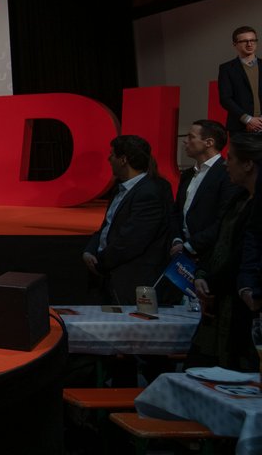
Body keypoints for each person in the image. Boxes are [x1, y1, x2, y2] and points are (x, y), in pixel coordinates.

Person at [188, 132, 260, 372]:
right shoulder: (238, 199)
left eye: (231, 159)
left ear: (248, 164)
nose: (226, 164)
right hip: (218, 300)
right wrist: (201, 274)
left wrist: (211, 282)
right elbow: (220, 242)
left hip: (238, 302)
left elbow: (242, 255)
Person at [82, 135, 173, 305]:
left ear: (123, 160)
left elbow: (131, 240)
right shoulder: (120, 188)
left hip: (129, 280)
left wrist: (100, 264)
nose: (109, 159)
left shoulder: (148, 192)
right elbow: (107, 226)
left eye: (112, 155)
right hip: (109, 275)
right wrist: (89, 250)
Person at [170, 120, 240, 263]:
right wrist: (177, 240)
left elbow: (224, 220)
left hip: (210, 257)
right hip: (181, 255)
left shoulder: (227, 173)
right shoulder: (187, 174)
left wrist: (190, 246)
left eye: (191, 137)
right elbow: (177, 212)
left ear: (209, 142)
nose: (185, 141)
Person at [218, 26, 262, 134]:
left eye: (252, 40)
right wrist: (248, 120)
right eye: (244, 41)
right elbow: (225, 99)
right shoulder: (227, 68)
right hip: (240, 128)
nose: (249, 44)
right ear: (235, 44)